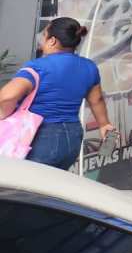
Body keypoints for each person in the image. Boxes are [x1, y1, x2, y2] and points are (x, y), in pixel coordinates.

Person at [0, 17, 115, 170]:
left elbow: (8, 95)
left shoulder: (38, 66)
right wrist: (104, 125)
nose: (42, 39)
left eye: (44, 35)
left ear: (52, 40)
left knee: (31, 189)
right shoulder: (89, 67)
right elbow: (97, 100)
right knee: (54, 186)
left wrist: (4, 114)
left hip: (40, 136)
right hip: (72, 136)